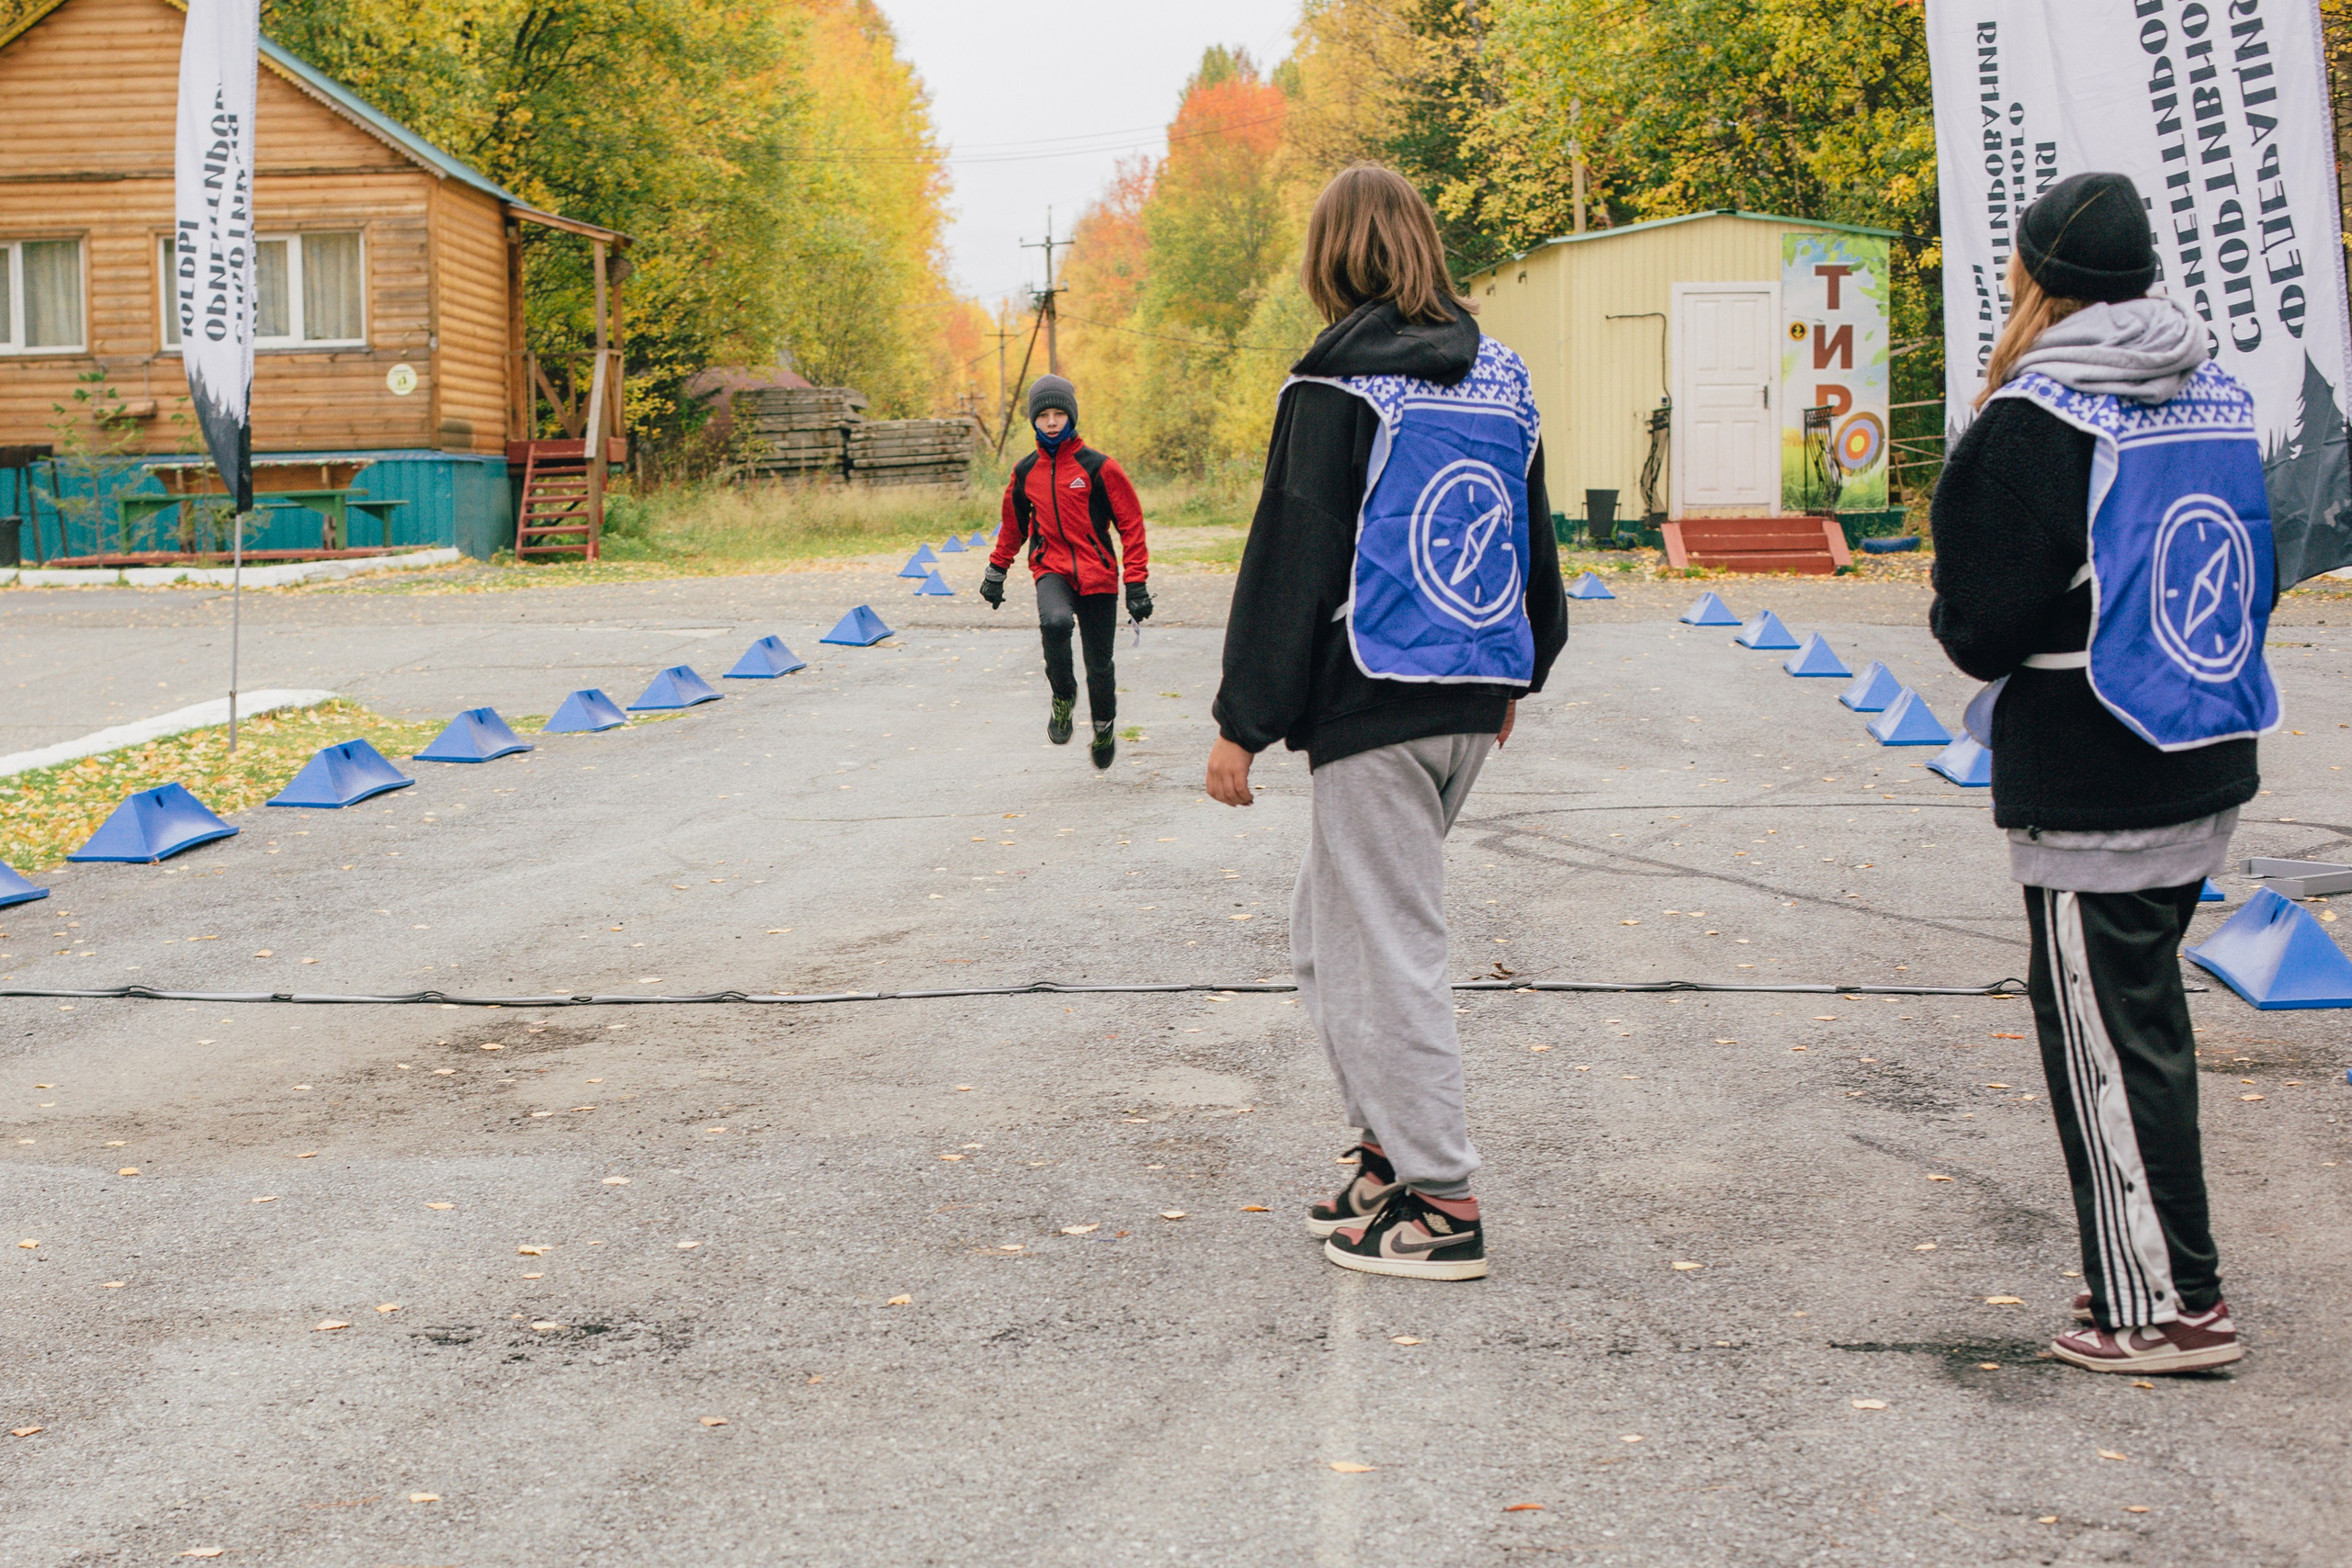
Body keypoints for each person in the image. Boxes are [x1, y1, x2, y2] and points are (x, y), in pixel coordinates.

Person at [1931, 171, 2280, 1374]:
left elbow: (1977, 620)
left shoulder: (2042, 416)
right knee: (2144, 1018)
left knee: (2100, 1036)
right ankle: (2161, 1272)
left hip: (2093, 771)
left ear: (2034, 277)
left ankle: (2166, 1304)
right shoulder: (2218, 391)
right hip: (2203, 741)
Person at [1204, 164, 1567, 1281]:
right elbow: (1527, 538)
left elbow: (1290, 558)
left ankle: (1445, 1199)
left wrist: (1241, 720)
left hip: (1374, 705)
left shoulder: (1336, 384)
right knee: (1332, 933)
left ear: (1331, 258)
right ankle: (1386, 1156)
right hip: (1468, 694)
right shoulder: (1501, 379)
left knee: (1390, 950)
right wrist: (1518, 672)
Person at [981, 375, 1151, 770]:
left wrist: (1137, 581)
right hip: (1052, 567)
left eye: (1059, 414)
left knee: (1100, 665)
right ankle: (1062, 696)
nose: (1052, 422)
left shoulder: (1099, 468)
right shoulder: (1025, 472)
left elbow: (1131, 524)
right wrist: (996, 569)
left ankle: (1104, 726)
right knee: (1054, 622)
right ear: (1034, 421)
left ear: (1071, 416)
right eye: (1044, 415)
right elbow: (1013, 525)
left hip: (1098, 575)